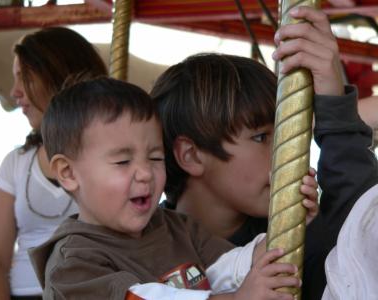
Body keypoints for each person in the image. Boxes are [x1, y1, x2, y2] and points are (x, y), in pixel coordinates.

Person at [150, 6, 378, 300]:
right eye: (260, 137)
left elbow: (361, 227)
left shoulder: (300, 236)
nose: (287, 154)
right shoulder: (140, 248)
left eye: (281, 135)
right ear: (191, 156)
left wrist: (316, 226)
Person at [29, 76, 319, 299]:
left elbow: (231, 267)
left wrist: (289, 218)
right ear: (68, 173)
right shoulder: (74, 265)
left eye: (155, 157)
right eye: (123, 161)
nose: (145, 172)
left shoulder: (178, 228)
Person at [0, 27, 108, 299]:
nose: (14, 92)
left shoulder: (112, 156)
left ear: (55, 76)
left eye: (23, 78)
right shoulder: (16, 164)